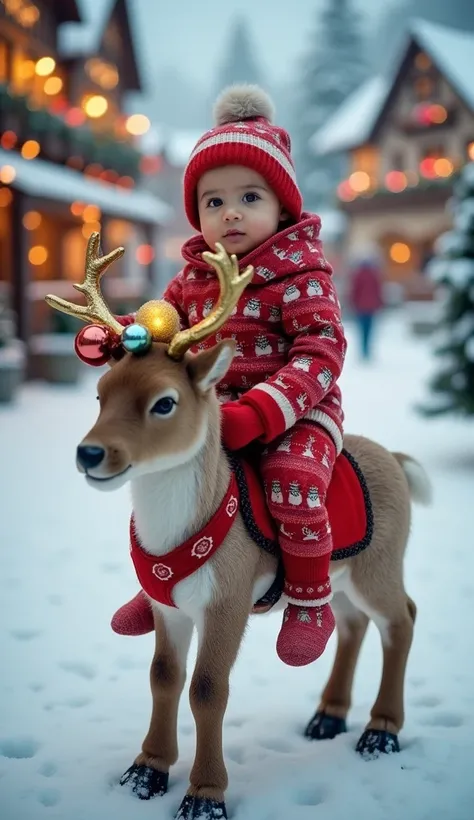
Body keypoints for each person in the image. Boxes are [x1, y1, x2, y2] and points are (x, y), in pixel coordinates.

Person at [111, 84, 347, 667]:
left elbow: (321, 351)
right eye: (213, 202)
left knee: (293, 478)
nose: (230, 212)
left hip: (296, 412)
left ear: (283, 206)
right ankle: (164, 583)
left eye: (249, 196)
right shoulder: (193, 277)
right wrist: (118, 335)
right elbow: (157, 328)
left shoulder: (302, 273)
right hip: (212, 411)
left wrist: (266, 409)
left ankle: (311, 598)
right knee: (168, 481)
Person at [347, 257, 384, 360]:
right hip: (371, 307)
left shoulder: (357, 274)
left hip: (360, 307)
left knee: (361, 329)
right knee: (369, 329)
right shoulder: (374, 274)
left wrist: (352, 303)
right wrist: (379, 303)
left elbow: (354, 290)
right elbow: (378, 290)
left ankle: (363, 350)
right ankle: (367, 350)